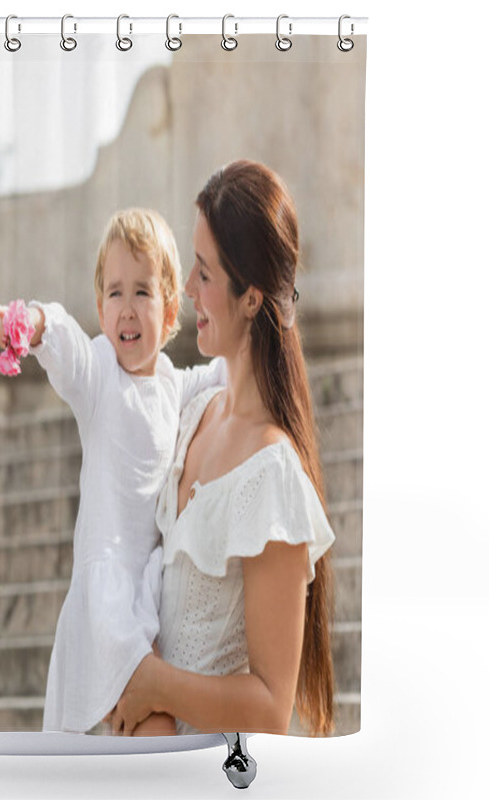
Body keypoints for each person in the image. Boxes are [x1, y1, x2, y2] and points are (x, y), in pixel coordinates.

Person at [109, 161, 337, 736]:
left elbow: (270, 707)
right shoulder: (193, 416)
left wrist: (155, 685)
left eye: (204, 274)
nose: (186, 290)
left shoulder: (273, 475)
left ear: (253, 298)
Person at [0, 208, 224, 735]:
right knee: (154, 729)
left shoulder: (171, 383)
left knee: (148, 738)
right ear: (100, 307)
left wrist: (268, 323)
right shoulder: (99, 375)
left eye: (142, 292)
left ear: (168, 315)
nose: (127, 308)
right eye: (115, 293)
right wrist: (39, 323)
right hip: (107, 603)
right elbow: (68, 348)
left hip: (150, 596)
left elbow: (221, 374)